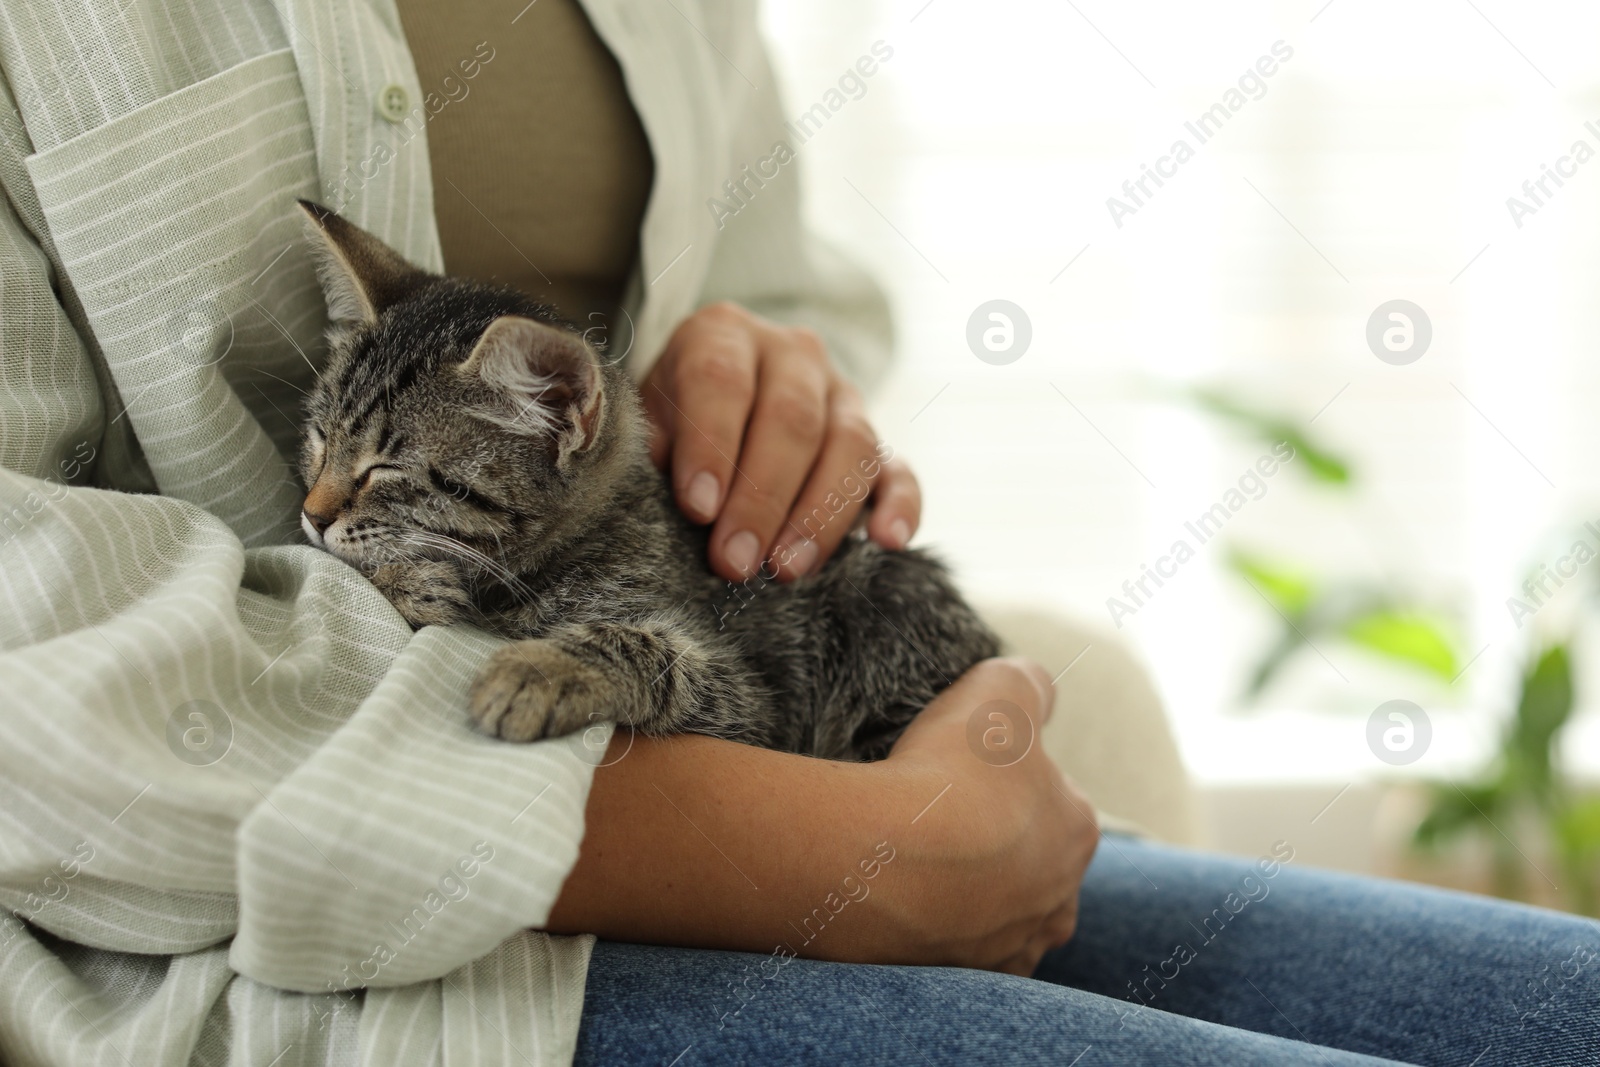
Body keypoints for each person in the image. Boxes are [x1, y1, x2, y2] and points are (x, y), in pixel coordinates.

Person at [0, 3, 1594, 1066]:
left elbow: (779, 289)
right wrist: (829, 863)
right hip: (264, 958)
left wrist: (746, 377)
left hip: (762, 749)